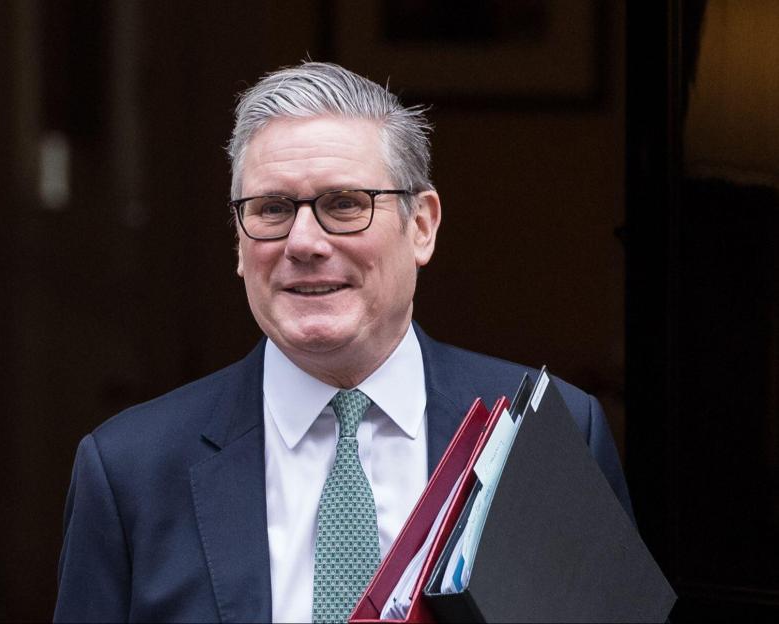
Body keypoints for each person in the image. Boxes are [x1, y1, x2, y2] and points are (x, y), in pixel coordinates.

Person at [53, 62, 632, 623]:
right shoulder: (130, 470)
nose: (303, 242)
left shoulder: (543, 433)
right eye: (273, 209)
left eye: (345, 204)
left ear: (421, 225)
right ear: (238, 243)